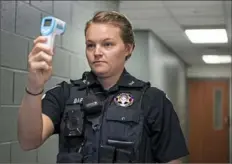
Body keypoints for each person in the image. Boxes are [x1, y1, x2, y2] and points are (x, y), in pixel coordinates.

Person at [17, 11, 189, 163]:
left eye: (107, 44)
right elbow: (28, 141)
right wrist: (34, 85)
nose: (97, 52)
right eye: (90, 45)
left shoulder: (153, 100)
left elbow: (172, 160)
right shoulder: (65, 93)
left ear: (128, 48)